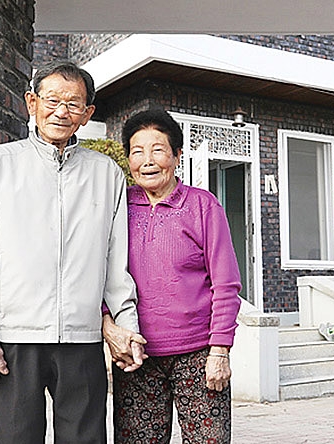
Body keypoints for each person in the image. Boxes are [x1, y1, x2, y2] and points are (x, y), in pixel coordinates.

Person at [0, 60, 145, 444]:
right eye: (52, 100)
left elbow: (116, 263)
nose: (62, 111)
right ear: (32, 102)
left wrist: (127, 327)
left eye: (74, 104)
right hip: (14, 338)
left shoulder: (107, 173)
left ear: (87, 114)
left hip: (82, 339)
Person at [103, 109, 242, 443]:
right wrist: (109, 325)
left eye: (158, 150)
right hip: (136, 354)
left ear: (177, 155)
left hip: (199, 353)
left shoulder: (202, 206)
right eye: (137, 151)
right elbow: (98, 273)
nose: (147, 161)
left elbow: (226, 284)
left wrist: (220, 350)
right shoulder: (118, 207)